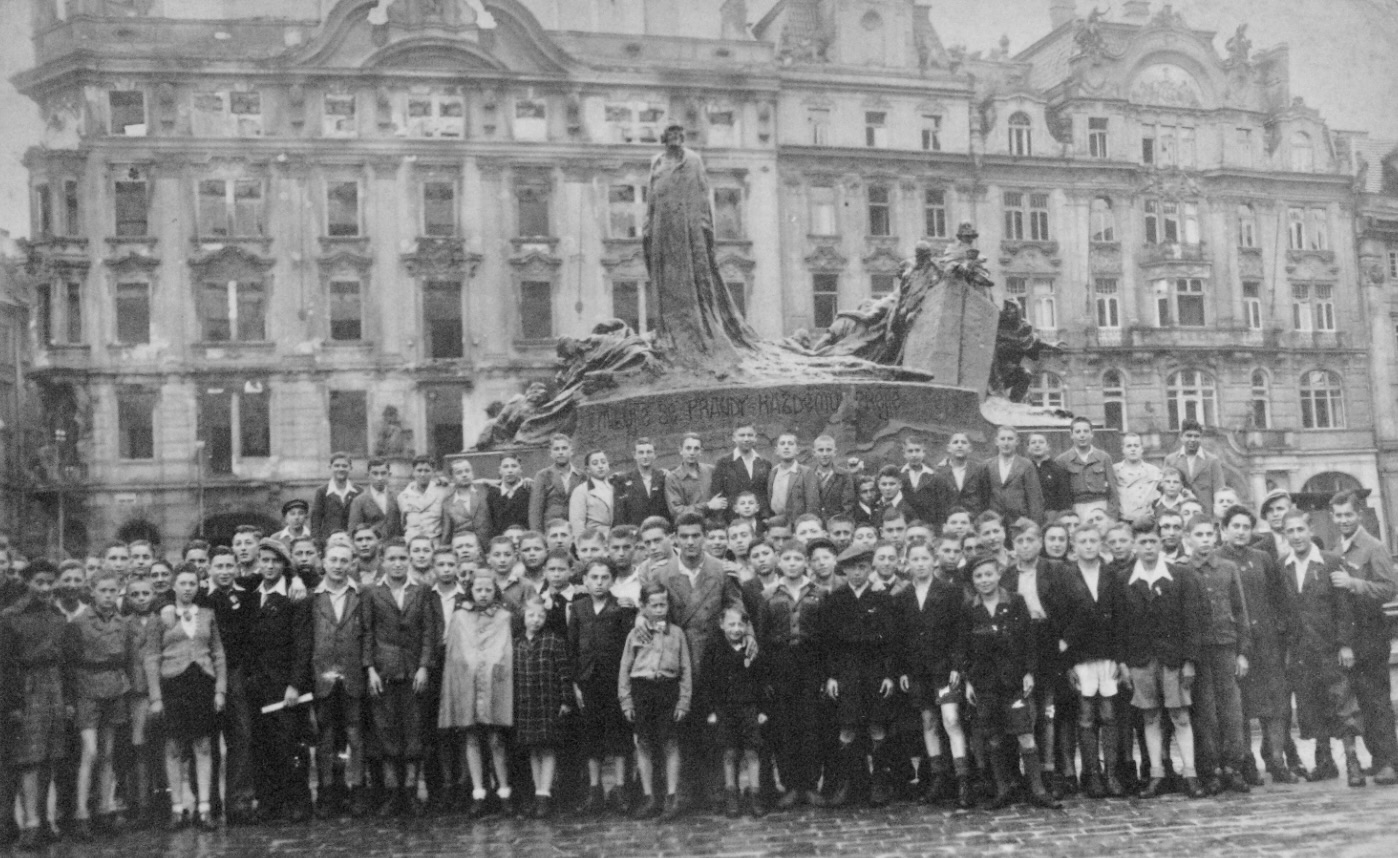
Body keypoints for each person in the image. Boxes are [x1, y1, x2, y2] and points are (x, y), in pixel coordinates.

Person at [643, 124, 756, 360]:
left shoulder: (692, 160)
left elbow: (703, 195)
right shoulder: (656, 162)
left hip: (687, 228)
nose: (675, 138)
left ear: (683, 137)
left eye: (679, 134)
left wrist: (704, 226)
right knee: (666, 280)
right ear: (664, 138)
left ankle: (695, 332)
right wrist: (647, 226)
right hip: (662, 228)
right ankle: (669, 333)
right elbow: (650, 198)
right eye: (671, 134)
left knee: (692, 278)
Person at [961, 552, 1060, 809]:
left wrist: (1029, 671)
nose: (984, 580)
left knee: (1025, 734)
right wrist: (968, 680)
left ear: (998, 575)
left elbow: (1029, 639)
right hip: (985, 683)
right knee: (993, 737)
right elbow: (965, 648)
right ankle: (1003, 789)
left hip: (1014, 679)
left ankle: (1037, 790)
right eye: (978, 576)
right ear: (972, 580)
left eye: (988, 574)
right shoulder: (969, 609)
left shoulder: (1015, 602)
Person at [1119, 517, 1205, 799]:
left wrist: (1190, 660)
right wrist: (1124, 663)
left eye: (1152, 541)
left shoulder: (1180, 576)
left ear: (1161, 543)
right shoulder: (1124, 580)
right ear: (1134, 545)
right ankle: (1156, 773)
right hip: (1140, 660)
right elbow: (1119, 624)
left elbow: (1193, 621)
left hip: (1174, 659)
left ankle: (1190, 773)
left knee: (1180, 715)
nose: (1148, 547)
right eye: (1142, 542)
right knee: (1150, 716)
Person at [1279, 509, 1363, 786]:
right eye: (1290, 531)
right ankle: (1325, 761)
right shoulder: (1282, 566)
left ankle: (1352, 762)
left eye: (1300, 530)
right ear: (1284, 535)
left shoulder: (1329, 562)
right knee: (1312, 704)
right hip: (1302, 652)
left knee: (1341, 703)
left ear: (1309, 529)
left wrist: (1345, 645)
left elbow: (1344, 608)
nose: (1296, 536)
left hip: (1329, 648)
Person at [1217, 505, 1295, 785]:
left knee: (1274, 705)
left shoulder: (1263, 558)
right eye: (1235, 526)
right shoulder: (1217, 560)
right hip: (1236, 645)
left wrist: (1280, 633)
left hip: (1267, 644)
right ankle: (1245, 761)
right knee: (1240, 707)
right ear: (1223, 529)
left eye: (1245, 527)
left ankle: (1276, 759)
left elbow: (1279, 599)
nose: (1240, 532)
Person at [1047, 524, 1126, 799]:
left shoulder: (1112, 575)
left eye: (1094, 540)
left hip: (1106, 655)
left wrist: (1119, 659)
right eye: (1083, 541)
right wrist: (1067, 663)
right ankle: (1091, 774)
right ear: (1074, 546)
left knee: (1109, 715)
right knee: (1085, 717)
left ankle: (1112, 773)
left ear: (1100, 543)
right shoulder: (1065, 576)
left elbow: (1119, 619)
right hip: (1080, 656)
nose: (1089, 545)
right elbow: (1059, 620)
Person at [144, 565, 226, 831]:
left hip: (202, 684)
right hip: (173, 686)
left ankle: (203, 809)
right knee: (174, 747)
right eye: (183, 583)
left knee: (203, 746)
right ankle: (177, 809)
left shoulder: (208, 614)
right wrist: (156, 697)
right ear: (174, 587)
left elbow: (218, 654)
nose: (188, 588)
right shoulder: (161, 617)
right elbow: (152, 658)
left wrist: (220, 690)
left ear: (198, 586)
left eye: (193, 583)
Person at [816, 543, 897, 807]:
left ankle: (879, 782)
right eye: (852, 568)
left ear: (870, 567)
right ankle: (847, 782)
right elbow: (828, 642)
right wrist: (831, 676)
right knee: (847, 726)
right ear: (845, 570)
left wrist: (888, 674)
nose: (858, 573)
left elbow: (891, 640)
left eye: (863, 567)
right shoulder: (836, 599)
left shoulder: (882, 598)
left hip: (874, 670)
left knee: (876, 724)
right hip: (847, 670)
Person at [1328, 491, 1398, 785]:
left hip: (1371, 633)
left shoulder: (1373, 547)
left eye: (1348, 514)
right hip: (1351, 636)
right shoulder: (1338, 548)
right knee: (1361, 702)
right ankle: (1378, 758)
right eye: (1338, 515)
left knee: (1377, 701)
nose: (1343, 520)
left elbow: (1388, 588)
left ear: (1359, 514)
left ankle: (1390, 762)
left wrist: (1354, 583)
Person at [895, 539, 970, 807]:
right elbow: (901, 638)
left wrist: (956, 666)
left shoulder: (950, 592)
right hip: (918, 671)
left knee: (951, 720)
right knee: (928, 721)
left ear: (933, 560)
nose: (920, 564)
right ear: (907, 563)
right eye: (914, 559)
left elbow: (960, 632)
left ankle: (962, 780)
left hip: (944, 669)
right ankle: (938, 779)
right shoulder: (902, 597)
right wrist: (903, 669)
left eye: (925, 559)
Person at [363, 538, 434, 817]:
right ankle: (393, 794)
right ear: (383, 560)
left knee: (414, 731)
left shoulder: (421, 590)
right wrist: (369, 669)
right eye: (392, 558)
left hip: (414, 671)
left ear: (409, 560)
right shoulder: (371, 591)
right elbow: (367, 631)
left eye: (402, 558)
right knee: (387, 731)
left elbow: (428, 629)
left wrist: (424, 666)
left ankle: (411, 790)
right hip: (383, 671)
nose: (397, 563)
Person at [1, 560, 69, 850]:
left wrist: (66, 699)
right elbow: (5, 665)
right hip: (26, 689)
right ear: (27, 582)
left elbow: (65, 661)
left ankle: (43, 819)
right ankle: (29, 824)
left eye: (49, 582)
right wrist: (13, 703)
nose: (45, 587)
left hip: (54, 688)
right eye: (39, 582)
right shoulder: (10, 617)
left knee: (50, 758)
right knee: (28, 759)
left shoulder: (57, 615)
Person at [246, 538, 314, 823]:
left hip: (285, 684)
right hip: (258, 686)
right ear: (258, 562)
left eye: (275, 561)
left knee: (291, 744)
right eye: (265, 560)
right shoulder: (251, 595)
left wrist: (295, 685)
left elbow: (302, 644)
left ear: (284, 565)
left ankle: (297, 800)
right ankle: (269, 801)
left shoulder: (294, 597)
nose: (269, 566)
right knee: (262, 745)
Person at [62, 570, 132, 840]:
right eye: (102, 590)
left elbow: (125, 658)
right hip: (87, 690)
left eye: (112, 591)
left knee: (108, 753)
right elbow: (69, 664)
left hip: (114, 689)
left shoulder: (122, 623)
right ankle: (81, 813)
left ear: (118, 592)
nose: (107, 596)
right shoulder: (78, 623)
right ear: (92, 591)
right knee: (89, 752)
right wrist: (71, 698)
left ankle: (105, 808)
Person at [1184, 516, 1251, 795]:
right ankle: (1209, 770)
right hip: (1199, 653)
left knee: (1231, 711)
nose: (1205, 539)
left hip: (1226, 647)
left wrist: (1242, 652)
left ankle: (1233, 768)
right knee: (1205, 713)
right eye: (1198, 534)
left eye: (1209, 534)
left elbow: (1240, 610)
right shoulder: (1183, 570)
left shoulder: (1228, 568)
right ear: (1188, 538)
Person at [441, 571, 515, 817]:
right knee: (471, 738)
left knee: (496, 739)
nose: (483, 595)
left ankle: (504, 791)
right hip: (468, 685)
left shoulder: (505, 617)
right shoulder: (460, 617)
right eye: (478, 590)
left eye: (488, 590)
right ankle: (478, 792)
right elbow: (453, 655)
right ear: (470, 591)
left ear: (496, 592)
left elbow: (507, 652)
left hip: (496, 685)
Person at [760, 540, 826, 808]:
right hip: (780, 665)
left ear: (806, 562)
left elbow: (826, 635)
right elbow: (762, 637)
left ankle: (810, 785)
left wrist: (824, 672)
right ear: (779, 561)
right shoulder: (769, 594)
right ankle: (789, 785)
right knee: (784, 726)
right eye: (787, 559)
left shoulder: (820, 593)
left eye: (797, 559)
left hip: (811, 664)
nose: (792, 564)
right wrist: (765, 676)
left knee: (811, 725)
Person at [619, 582, 693, 821]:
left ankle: (672, 797)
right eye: (654, 605)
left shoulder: (677, 633)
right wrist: (627, 701)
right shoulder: (635, 634)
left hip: (667, 690)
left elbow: (685, 670)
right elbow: (625, 669)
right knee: (644, 743)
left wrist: (683, 701)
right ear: (643, 607)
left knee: (670, 742)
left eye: (663, 604)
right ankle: (650, 796)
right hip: (642, 690)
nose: (660, 609)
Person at [568, 559, 635, 815]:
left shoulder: (621, 608)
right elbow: (572, 648)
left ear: (611, 580)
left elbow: (627, 648)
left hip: (614, 681)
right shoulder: (578, 608)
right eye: (593, 577)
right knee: (591, 736)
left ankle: (619, 789)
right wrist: (575, 683)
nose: (598, 583)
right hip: (587, 681)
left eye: (604, 577)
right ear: (585, 580)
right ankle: (594, 791)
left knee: (618, 735)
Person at [309, 542, 369, 819]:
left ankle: (356, 788)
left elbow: (368, 634)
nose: (338, 565)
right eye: (333, 559)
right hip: (322, 676)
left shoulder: (361, 595)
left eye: (344, 560)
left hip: (352, 674)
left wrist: (367, 668)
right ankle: (327, 790)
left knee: (355, 734)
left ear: (351, 563)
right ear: (323, 561)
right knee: (326, 736)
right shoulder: (312, 596)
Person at [702, 606, 769, 818]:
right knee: (729, 752)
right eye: (731, 624)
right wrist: (711, 710)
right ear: (722, 625)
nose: (736, 629)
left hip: (748, 708)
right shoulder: (714, 650)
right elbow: (707, 683)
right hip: (724, 709)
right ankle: (732, 794)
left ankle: (755, 794)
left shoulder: (752, 650)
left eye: (741, 624)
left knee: (751, 751)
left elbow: (762, 682)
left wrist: (762, 710)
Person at [512, 596, 572, 819]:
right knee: (532, 748)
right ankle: (537, 792)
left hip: (548, 701)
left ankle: (545, 794)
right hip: (526, 702)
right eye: (531, 615)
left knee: (547, 747)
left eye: (541, 615)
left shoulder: (553, 640)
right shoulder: (516, 643)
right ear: (523, 617)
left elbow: (564, 673)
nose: (536, 620)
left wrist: (566, 701)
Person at [122, 575, 160, 828]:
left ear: (154, 595)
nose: (141, 599)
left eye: (145, 593)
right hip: (137, 692)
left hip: (162, 690)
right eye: (135, 595)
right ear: (127, 598)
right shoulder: (124, 624)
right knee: (140, 748)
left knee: (165, 745)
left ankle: (166, 800)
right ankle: (142, 804)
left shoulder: (164, 621)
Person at [1055, 418, 1120, 520]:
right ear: (1071, 435)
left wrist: (1111, 515)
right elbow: (1060, 494)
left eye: (1086, 431)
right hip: (1076, 508)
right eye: (1078, 432)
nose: (1082, 435)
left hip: (1101, 505)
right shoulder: (1062, 460)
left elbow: (1113, 490)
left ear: (1092, 434)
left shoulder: (1103, 457)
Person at [711, 424, 772, 523]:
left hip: (759, 520)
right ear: (734, 438)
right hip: (732, 519)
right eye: (742, 435)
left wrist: (766, 517)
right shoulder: (723, 463)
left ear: (755, 438)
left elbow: (766, 494)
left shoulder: (765, 463)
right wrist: (721, 522)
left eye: (750, 435)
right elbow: (717, 495)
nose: (746, 439)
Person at [929, 433, 992, 528]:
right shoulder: (939, 472)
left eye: (963, 442)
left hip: (974, 522)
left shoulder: (979, 469)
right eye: (955, 442)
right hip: (950, 522)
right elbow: (937, 502)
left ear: (970, 448)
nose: (959, 445)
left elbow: (986, 498)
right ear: (948, 448)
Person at [1164, 420, 1227, 515]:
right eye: (1189, 436)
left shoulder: (1212, 461)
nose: (1192, 439)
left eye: (1196, 436)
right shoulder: (1171, 460)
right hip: (1179, 513)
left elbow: (1220, 491)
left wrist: (1216, 521)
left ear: (1201, 438)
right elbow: (1164, 488)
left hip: (1205, 514)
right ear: (1181, 437)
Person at [986, 426, 1045, 526]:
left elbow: (1034, 499)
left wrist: (1034, 525)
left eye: (1010, 439)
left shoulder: (1026, 465)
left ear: (1017, 441)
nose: (1006, 443)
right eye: (1002, 439)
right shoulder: (987, 465)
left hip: (1019, 521)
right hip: (994, 520)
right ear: (996, 441)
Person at [529, 434, 584, 533]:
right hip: (551, 530)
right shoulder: (543, 476)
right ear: (551, 453)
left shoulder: (582, 476)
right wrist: (538, 536)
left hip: (575, 530)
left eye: (564, 448)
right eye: (556, 449)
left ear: (571, 451)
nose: (561, 452)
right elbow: (535, 511)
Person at [767, 432, 819, 529]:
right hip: (777, 522)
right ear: (777, 450)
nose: (786, 447)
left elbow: (812, 504)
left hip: (797, 523)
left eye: (790, 444)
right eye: (782, 444)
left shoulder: (806, 472)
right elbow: (770, 497)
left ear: (797, 450)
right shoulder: (774, 472)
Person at [616, 438, 671, 528]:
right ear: (634, 455)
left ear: (655, 454)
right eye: (641, 453)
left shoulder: (664, 477)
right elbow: (621, 514)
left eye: (649, 452)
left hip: (660, 529)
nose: (645, 456)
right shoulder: (624, 481)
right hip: (636, 532)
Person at [665, 433, 719, 521]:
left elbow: (720, 499)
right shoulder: (673, 478)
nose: (692, 452)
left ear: (701, 451)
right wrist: (707, 506)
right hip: (689, 525)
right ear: (680, 450)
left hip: (713, 524)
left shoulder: (711, 471)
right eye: (688, 448)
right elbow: (676, 511)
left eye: (696, 448)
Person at [442, 458, 494, 548]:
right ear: (452, 477)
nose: (464, 475)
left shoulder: (485, 491)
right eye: (459, 472)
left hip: (487, 546)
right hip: (464, 547)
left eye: (467, 471)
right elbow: (447, 532)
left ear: (472, 473)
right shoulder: (448, 503)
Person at [311, 453, 361, 545]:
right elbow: (316, 521)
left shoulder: (358, 491)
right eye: (337, 466)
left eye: (344, 466)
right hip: (329, 542)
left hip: (353, 542)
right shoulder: (322, 492)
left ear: (350, 468)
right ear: (330, 467)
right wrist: (317, 543)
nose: (341, 469)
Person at [348, 458, 402, 542]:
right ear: (368, 475)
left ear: (389, 474)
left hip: (395, 548)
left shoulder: (398, 497)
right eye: (375, 474)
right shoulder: (359, 501)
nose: (379, 478)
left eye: (383, 473)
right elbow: (354, 531)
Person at [399, 456, 449, 545]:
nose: (422, 474)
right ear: (413, 472)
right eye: (419, 470)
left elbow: (446, 521)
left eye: (427, 471)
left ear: (433, 472)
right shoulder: (403, 496)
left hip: (434, 542)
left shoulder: (442, 492)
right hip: (411, 542)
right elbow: (403, 523)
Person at [1114, 433, 1162, 524]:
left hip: (1146, 521)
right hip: (1123, 520)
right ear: (1123, 449)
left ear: (1142, 449)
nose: (1133, 449)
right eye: (1129, 446)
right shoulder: (1115, 470)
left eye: (1136, 446)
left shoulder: (1154, 471)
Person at [1027, 433, 1074, 520]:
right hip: (1029, 516)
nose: (1037, 445)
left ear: (1048, 446)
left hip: (1052, 516)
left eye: (1041, 442)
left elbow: (1065, 500)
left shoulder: (1058, 469)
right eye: (1033, 442)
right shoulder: (1024, 469)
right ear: (1028, 448)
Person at [569, 450, 616, 537]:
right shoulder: (581, 491)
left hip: (616, 540)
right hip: (594, 540)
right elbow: (577, 525)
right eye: (595, 463)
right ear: (588, 469)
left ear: (608, 465)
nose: (600, 466)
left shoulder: (615, 487)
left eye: (603, 462)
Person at [811, 435, 856, 521]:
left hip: (836, 525)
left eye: (828, 450)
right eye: (821, 450)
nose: (825, 454)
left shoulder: (844, 475)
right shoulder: (808, 475)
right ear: (814, 452)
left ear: (835, 452)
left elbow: (848, 506)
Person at [487, 453, 532, 533]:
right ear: (500, 470)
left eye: (514, 466)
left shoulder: (529, 489)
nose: (510, 470)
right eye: (505, 467)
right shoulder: (493, 493)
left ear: (521, 469)